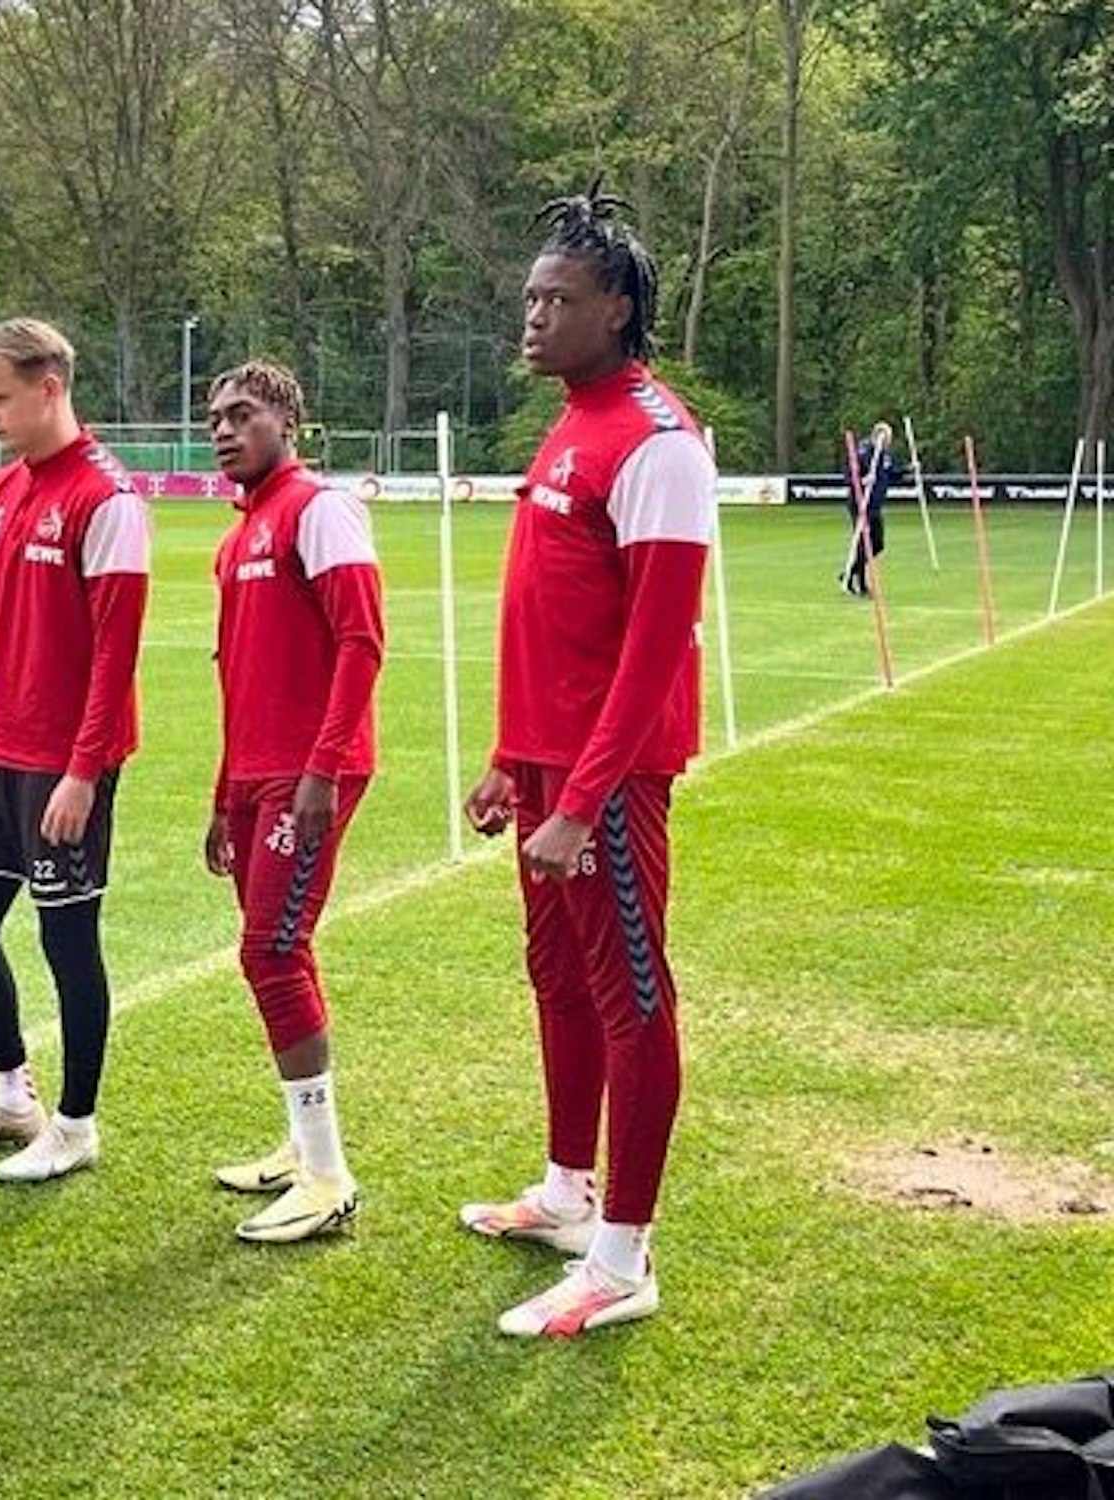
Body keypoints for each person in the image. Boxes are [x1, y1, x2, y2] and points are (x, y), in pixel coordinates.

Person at [459, 183, 717, 1338]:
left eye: (555, 299)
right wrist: (511, 762)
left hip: (604, 783)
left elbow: (652, 647)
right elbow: (552, 625)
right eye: (526, 298)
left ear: (614, 309)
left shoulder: (657, 440)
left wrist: (583, 795)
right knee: (555, 979)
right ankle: (567, 1193)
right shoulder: (567, 422)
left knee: (629, 995)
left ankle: (623, 1257)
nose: (531, 316)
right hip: (546, 773)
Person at [0, 318, 150, 1184]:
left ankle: (77, 1124)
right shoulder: (3, 490)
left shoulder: (108, 500)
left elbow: (112, 653)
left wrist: (83, 773)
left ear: (49, 386)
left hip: (66, 767)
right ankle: (13, 1095)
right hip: (2, 757)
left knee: (67, 942)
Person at [203, 361, 385, 1245]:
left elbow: (361, 641)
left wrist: (322, 768)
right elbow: (238, 674)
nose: (225, 430)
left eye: (243, 414)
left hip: (309, 773)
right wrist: (219, 795)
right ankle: (302, 1141)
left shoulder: (319, 509)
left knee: (271, 950)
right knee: (279, 951)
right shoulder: (239, 534)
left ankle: (328, 1175)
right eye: (214, 419)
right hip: (256, 774)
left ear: (288, 420)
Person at [841, 419, 903, 596]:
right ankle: (859, 584)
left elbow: (891, 474)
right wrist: (861, 481)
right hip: (860, 504)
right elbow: (848, 476)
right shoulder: (863, 452)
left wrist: (909, 469)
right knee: (863, 543)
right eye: (887, 438)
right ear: (878, 436)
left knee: (878, 543)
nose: (889, 442)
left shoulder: (884, 454)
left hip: (875, 506)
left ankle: (850, 572)